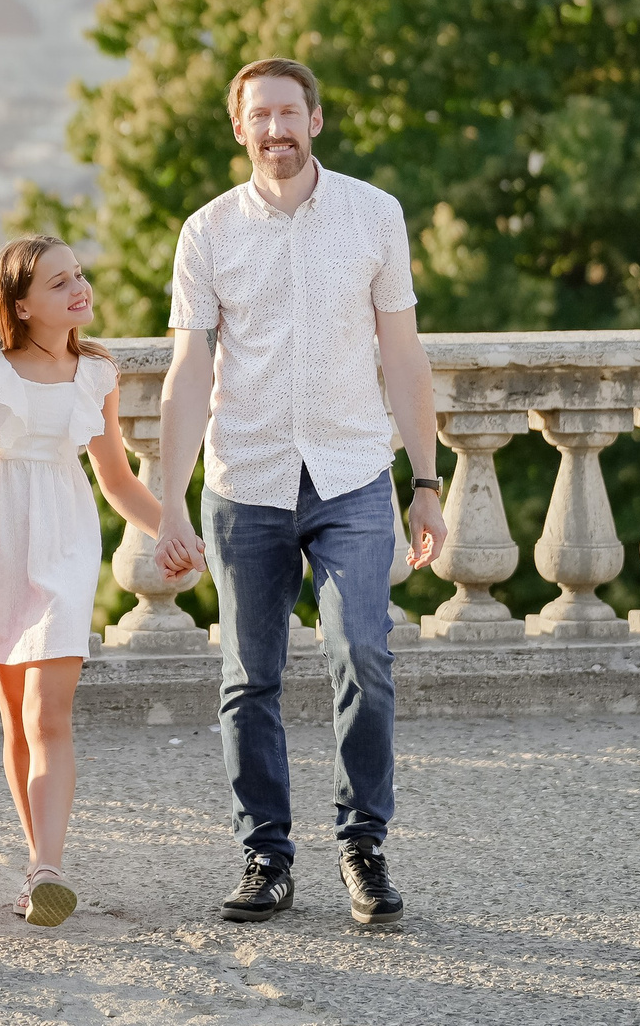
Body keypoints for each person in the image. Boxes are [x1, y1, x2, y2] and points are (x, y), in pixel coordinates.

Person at [156, 59, 447, 927]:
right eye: (260, 116)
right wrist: (169, 500)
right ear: (239, 128)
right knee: (250, 678)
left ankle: (363, 846)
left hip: (354, 474)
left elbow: (404, 354)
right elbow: (187, 369)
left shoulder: (374, 214)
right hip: (246, 479)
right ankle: (266, 856)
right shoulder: (206, 231)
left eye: (290, 112)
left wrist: (426, 482)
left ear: (315, 118)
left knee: (363, 654)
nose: (275, 128)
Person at [0, 236, 196, 926]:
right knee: (15, 716)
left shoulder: (97, 370)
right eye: (60, 281)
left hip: (65, 539)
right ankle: (36, 864)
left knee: (49, 713)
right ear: (20, 303)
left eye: (80, 275)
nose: (80, 288)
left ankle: (48, 867)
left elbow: (118, 479)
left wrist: (176, 530)